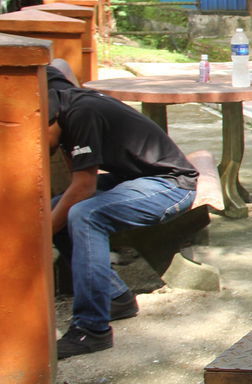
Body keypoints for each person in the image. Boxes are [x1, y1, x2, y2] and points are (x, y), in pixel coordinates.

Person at [46, 63, 198, 359]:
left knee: (84, 213)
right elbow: (76, 182)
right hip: (136, 180)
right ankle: (116, 297)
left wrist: (39, 238)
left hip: (171, 186)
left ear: (46, 119)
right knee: (58, 208)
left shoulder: (81, 112)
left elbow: (84, 188)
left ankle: (92, 329)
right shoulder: (66, 108)